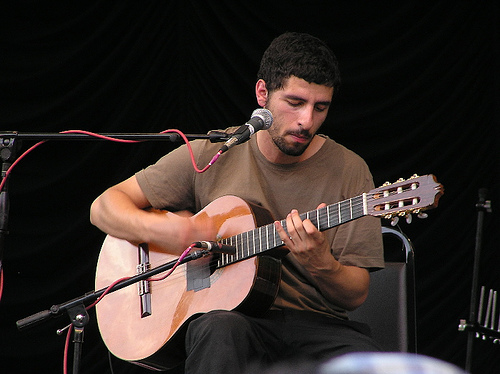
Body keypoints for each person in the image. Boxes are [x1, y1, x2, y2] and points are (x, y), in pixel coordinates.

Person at [90, 32, 385, 373]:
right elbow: (104, 206)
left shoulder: (350, 169)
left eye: (321, 108)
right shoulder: (214, 153)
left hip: (319, 327)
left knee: (367, 362)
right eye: (295, 103)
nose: (307, 121)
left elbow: (354, 296)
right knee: (219, 328)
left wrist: (321, 263)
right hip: (236, 322)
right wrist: (167, 230)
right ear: (263, 93)